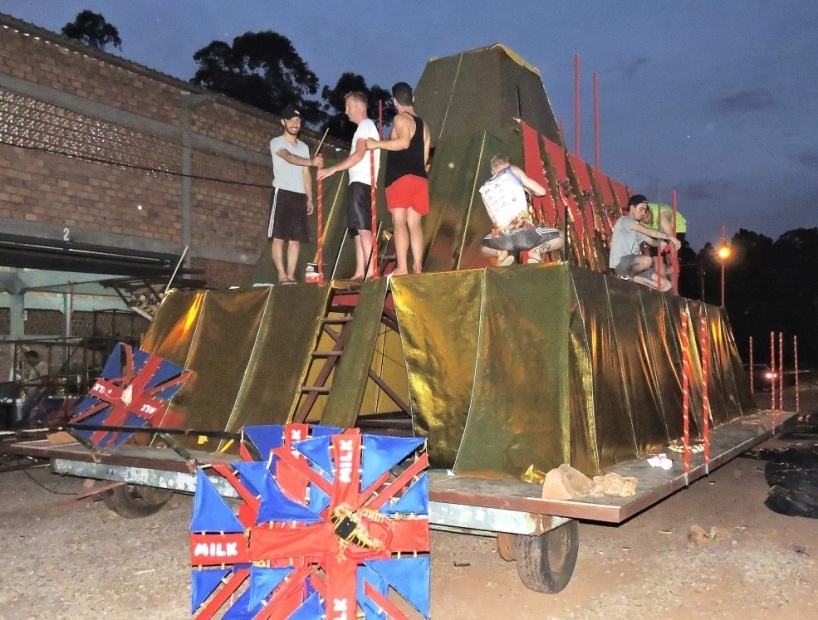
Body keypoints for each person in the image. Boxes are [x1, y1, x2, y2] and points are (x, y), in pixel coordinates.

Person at [366, 82, 430, 276]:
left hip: (400, 178)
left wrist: (376, 144)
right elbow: (425, 157)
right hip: (419, 177)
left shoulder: (400, 118)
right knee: (415, 223)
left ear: (394, 101)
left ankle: (402, 267)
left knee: (399, 221)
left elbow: (403, 143)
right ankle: (417, 266)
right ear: (413, 98)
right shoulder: (424, 125)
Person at [317, 92, 380, 280]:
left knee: (363, 228)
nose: (346, 111)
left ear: (360, 106)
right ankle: (361, 271)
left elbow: (359, 154)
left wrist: (333, 169)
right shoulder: (364, 128)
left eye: (348, 106)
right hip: (359, 183)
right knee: (357, 230)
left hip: (362, 182)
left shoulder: (365, 126)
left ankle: (371, 271)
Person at [269, 104, 323, 284]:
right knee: (279, 236)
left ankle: (291, 276)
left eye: (298, 120)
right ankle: (281, 275)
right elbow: (288, 157)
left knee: (296, 238)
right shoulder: (277, 142)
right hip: (282, 192)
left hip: (300, 195)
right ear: (283, 122)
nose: (294, 123)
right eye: (291, 120)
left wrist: (309, 197)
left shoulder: (304, 147)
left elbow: (305, 173)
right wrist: (311, 161)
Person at [478, 154, 564, 266]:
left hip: (502, 239)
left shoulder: (485, 187)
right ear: (507, 164)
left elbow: (493, 220)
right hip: (525, 233)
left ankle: (500, 253)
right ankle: (536, 252)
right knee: (562, 236)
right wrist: (525, 187)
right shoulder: (512, 170)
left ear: (492, 170)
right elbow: (541, 192)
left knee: (483, 247)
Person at [609, 194, 681, 292]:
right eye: (641, 209)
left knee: (666, 285)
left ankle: (636, 280)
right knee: (647, 260)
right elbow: (648, 231)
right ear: (632, 208)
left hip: (636, 266)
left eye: (645, 210)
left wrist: (666, 245)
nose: (643, 213)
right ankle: (629, 277)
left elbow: (652, 241)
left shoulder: (636, 231)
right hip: (622, 262)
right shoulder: (625, 220)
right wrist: (670, 237)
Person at [19, 350, 48, 426]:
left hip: (37, 393)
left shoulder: (41, 365)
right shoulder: (34, 368)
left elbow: (44, 380)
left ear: (32, 358)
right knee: (29, 410)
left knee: (25, 409)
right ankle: (27, 425)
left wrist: (36, 390)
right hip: (33, 393)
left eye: (28, 359)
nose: (28, 362)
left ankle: (24, 426)